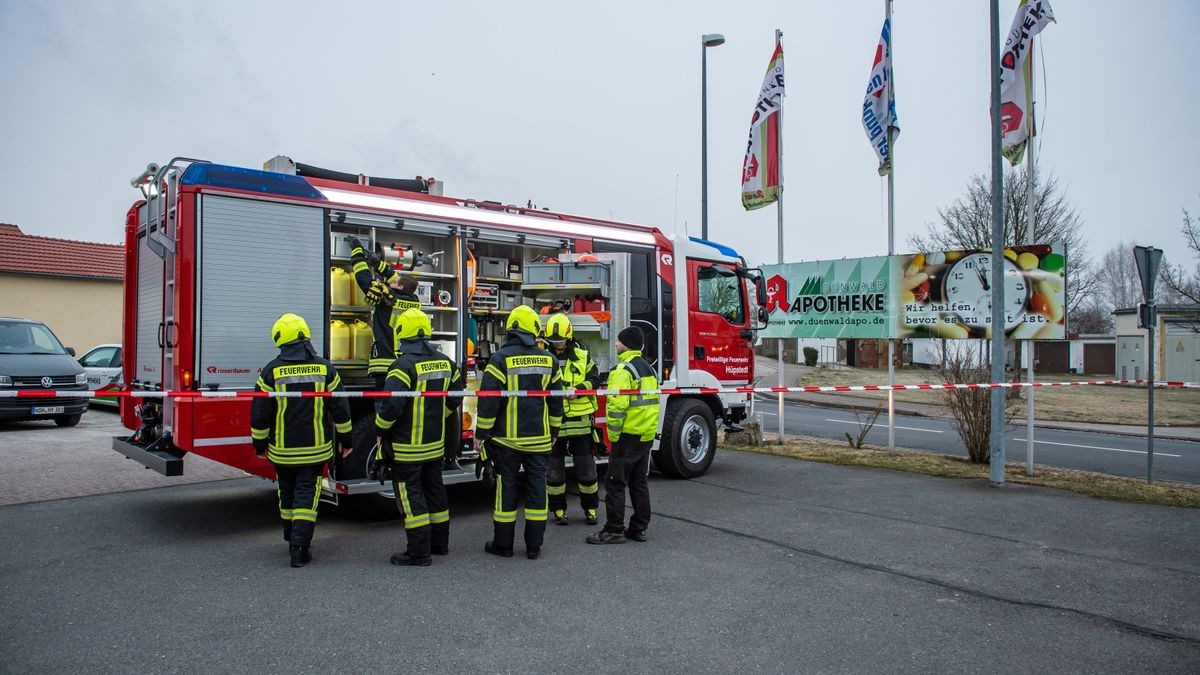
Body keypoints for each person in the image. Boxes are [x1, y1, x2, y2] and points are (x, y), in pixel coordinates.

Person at [250, 313, 353, 567]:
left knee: (286, 494)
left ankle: (290, 536)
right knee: (307, 496)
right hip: (315, 450)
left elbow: (260, 413)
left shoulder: (271, 371)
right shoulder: (325, 368)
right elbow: (340, 407)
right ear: (304, 336)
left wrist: (260, 444)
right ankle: (300, 547)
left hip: (283, 451)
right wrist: (346, 439)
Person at [375, 308, 465, 566]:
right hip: (435, 446)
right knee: (435, 492)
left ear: (402, 333)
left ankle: (418, 552)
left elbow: (390, 407)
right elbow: (457, 395)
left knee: (410, 495)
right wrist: (441, 413)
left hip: (406, 449)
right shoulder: (446, 363)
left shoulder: (401, 366)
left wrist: (380, 430)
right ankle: (439, 544)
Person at [474, 304, 563, 560]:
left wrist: (481, 433)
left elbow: (489, 401)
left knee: (506, 490)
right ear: (534, 329)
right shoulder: (549, 360)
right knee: (537, 490)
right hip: (539, 439)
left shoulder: (500, 359)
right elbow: (556, 401)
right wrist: (554, 429)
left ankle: (503, 545)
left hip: (507, 440)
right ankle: (534, 547)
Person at [587, 326, 659, 545]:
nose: (615, 344)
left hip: (627, 435)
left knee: (615, 483)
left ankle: (614, 530)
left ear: (626, 344)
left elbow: (617, 407)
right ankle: (638, 528)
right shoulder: (648, 369)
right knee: (639, 483)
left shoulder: (622, 370)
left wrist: (613, 435)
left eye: (618, 341)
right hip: (644, 435)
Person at [542, 313, 601, 526]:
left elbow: (595, 379)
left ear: (569, 336)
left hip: (579, 421)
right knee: (554, 471)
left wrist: (579, 390)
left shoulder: (582, 354)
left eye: (559, 340)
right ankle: (558, 510)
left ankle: (591, 509)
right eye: (553, 341)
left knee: (586, 469)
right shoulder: (542, 356)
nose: (556, 344)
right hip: (554, 423)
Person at [348, 237, 422, 388]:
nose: (390, 281)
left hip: (385, 363)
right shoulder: (415, 301)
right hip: (406, 362)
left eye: (394, 283)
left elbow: (363, 277)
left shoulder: (386, 297)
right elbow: (394, 277)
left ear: (399, 288)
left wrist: (356, 250)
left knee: (385, 405)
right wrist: (377, 263)